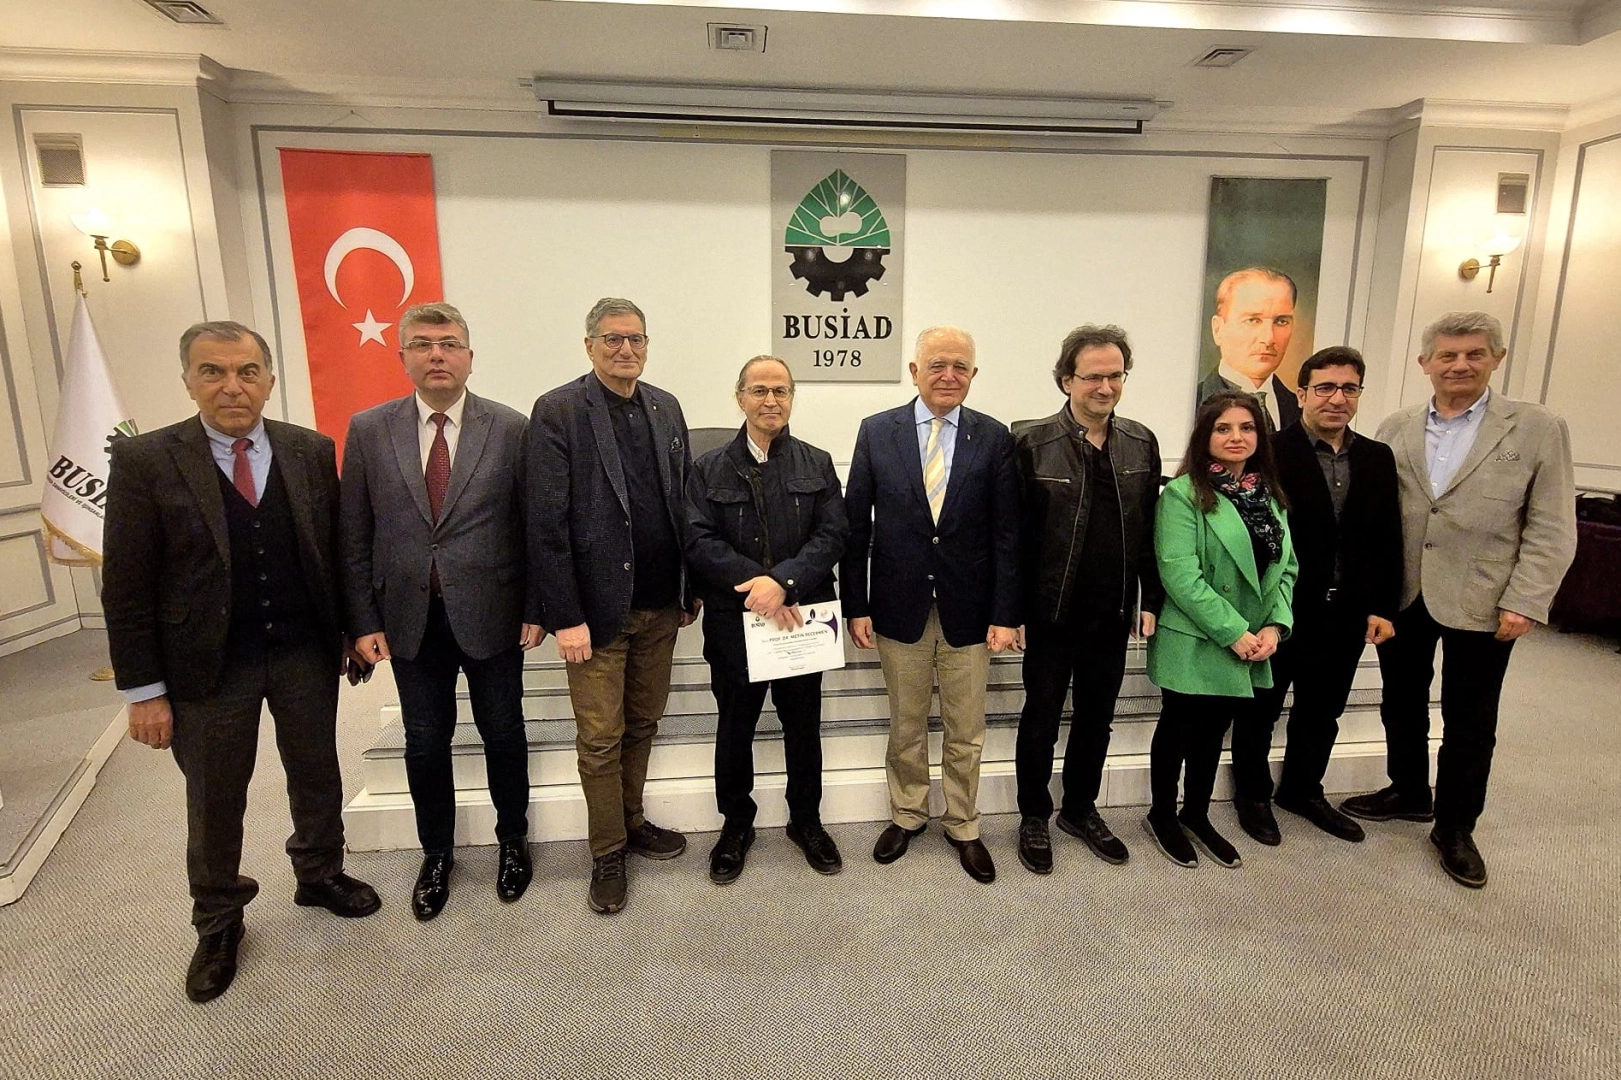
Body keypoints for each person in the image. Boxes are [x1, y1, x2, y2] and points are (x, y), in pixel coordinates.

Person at [102, 321, 380, 1004]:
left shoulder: (310, 450)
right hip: (207, 664)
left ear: (269, 380)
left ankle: (319, 873)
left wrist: (353, 629)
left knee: (316, 771)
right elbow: (126, 586)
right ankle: (219, 920)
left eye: (247, 371)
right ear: (188, 380)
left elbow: (336, 551)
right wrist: (144, 690)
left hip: (302, 650)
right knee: (215, 796)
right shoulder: (146, 460)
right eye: (213, 371)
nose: (232, 386)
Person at [1342, 311, 1576, 889]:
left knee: (1471, 719)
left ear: (1496, 358)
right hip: (1404, 593)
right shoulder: (1395, 426)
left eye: (1474, 354)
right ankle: (1408, 790)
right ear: (1425, 363)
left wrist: (1526, 598)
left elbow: (1552, 524)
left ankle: (1455, 826)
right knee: (1400, 701)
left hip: (1486, 598)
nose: (1460, 365)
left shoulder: (1536, 427)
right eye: (1447, 355)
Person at [340, 302, 542, 921]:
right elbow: (354, 533)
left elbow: (532, 527)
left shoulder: (510, 427)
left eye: (449, 344)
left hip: (493, 612)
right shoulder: (369, 429)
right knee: (425, 743)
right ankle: (436, 854)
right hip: (409, 617)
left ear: (470, 357)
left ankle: (513, 842)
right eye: (423, 344)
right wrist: (363, 621)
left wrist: (536, 606)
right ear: (402, 355)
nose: (437, 355)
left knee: (503, 734)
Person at [527, 297, 698, 914]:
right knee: (601, 737)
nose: (626, 349)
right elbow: (546, 523)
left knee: (644, 723)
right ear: (590, 346)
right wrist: (564, 615)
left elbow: (682, 504)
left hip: (660, 606)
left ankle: (632, 820)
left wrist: (687, 590)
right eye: (612, 339)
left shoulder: (665, 406)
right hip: (595, 615)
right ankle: (607, 852)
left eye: (636, 339)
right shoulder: (559, 410)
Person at [842, 326, 1020, 884]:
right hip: (899, 607)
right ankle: (908, 814)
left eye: (960, 366)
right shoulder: (877, 431)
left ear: (973, 374)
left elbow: (1008, 534)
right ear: (914, 371)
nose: (949, 375)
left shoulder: (994, 437)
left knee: (966, 729)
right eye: (937, 364)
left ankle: (963, 823)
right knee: (906, 724)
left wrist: (1005, 613)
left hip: (971, 612)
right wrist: (855, 604)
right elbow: (855, 529)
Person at [1228, 347, 1402, 846]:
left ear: (1359, 394)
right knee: (1260, 708)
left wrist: (1382, 606)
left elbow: (1388, 535)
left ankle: (1303, 790)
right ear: (1302, 394)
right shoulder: (1268, 452)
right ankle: (1253, 796)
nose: (1337, 398)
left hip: (1346, 609)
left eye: (1349, 388)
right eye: (1325, 387)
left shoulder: (1377, 457)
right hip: (1281, 608)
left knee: (1323, 710)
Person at [685, 356, 848, 883]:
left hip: (800, 621)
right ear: (740, 399)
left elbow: (833, 534)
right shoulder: (708, 469)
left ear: (792, 398)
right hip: (736, 624)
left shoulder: (817, 463)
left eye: (781, 391)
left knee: (803, 727)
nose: (771, 400)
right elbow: (697, 540)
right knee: (735, 728)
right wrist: (759, 584)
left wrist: (785, 582)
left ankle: (806, 820)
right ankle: (736, 824)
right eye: (759, 390)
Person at [1011, 324, 1163, 874]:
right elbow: (1012, 537)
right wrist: (1011, 611)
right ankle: (1034, 815)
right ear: (1066, 380)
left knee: (1097, 718)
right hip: (1050, 612)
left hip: (1113, 611)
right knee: (1042, 717)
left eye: (1115, 375)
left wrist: (1150, 599)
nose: (1105, 386)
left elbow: (1151, 533)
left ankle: (1080, 808)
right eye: (1093, 376)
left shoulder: (1141, 443)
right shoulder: (1031, 444)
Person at [1145, 391, 1298, 869]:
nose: (1236, 437)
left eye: (1246, 428)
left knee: (1214, 732)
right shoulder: (1182, 494)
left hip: (1251, 637)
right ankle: (1162, 814)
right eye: (1223, 428)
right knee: (1179, 727)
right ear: (1205, 436)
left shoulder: (1268, 495)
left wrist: (1275, 625)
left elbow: (1286, 569)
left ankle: (1196, 813)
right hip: (1197, 635)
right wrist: (1233, 631)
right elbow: (1180, 575)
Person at [1198, 267, 1302, 432]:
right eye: (1253, 320)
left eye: (1281, 321)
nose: (1268, 338)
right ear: (1218, 329)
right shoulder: (1189, 405)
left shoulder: (1301, 412)